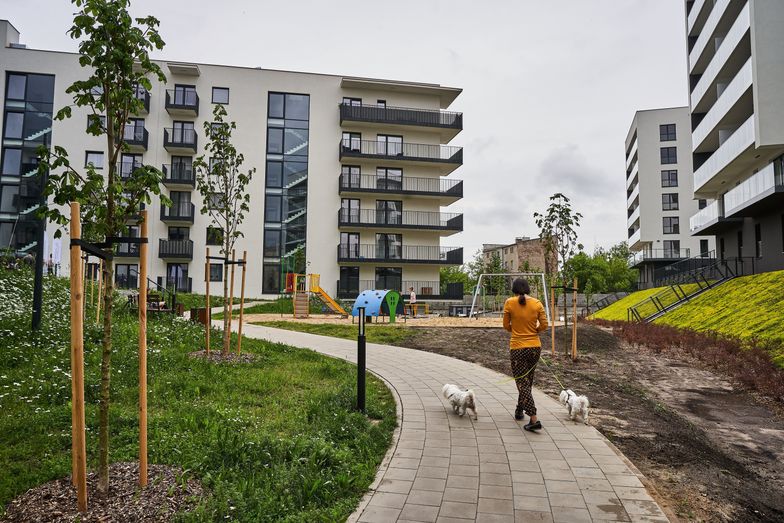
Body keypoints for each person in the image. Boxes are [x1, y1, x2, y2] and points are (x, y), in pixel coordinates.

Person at [503, 278, 548, 431]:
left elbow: (505, 325)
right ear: (527, 289)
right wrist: (534, 332)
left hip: (517, 348)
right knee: (527, 381)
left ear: (514, 290)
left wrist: (516, 331)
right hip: (535, 347)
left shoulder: (509, 302)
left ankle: (534, 418)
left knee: (522, 383)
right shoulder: (537, 303)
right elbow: (544, 325)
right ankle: (519, 409)